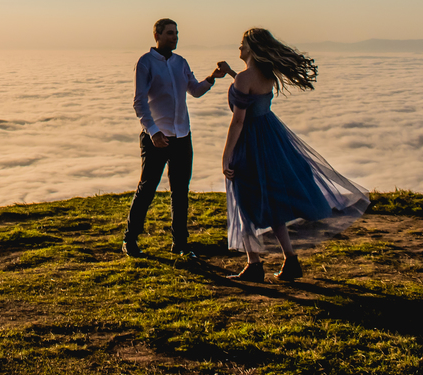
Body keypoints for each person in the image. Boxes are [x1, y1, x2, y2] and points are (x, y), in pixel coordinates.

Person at [216, 28, 368, 282]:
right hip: (272, 139)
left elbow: (239, 121)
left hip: (251, 143)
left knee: (244, 202)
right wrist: (232, 73)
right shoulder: (266, 75)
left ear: (252, 48)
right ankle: (290, 260)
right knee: (273, 203)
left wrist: (226, 156)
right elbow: (251, 93)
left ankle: (254, 265)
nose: (239, 48)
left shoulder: (244, 78)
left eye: (242, 44)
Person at [123, 18, 223, 257]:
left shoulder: (181, 62)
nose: (175, 37)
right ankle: (130, 240)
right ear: (156, 35)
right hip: (155, 137)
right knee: (147, 189)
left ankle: (180, 244)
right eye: (170, 33)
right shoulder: (146, 62)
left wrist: (212, 77)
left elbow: (195, 91)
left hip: (182, 136)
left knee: (180, 191)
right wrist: (153, 131)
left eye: (176, 33)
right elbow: (139, 102)